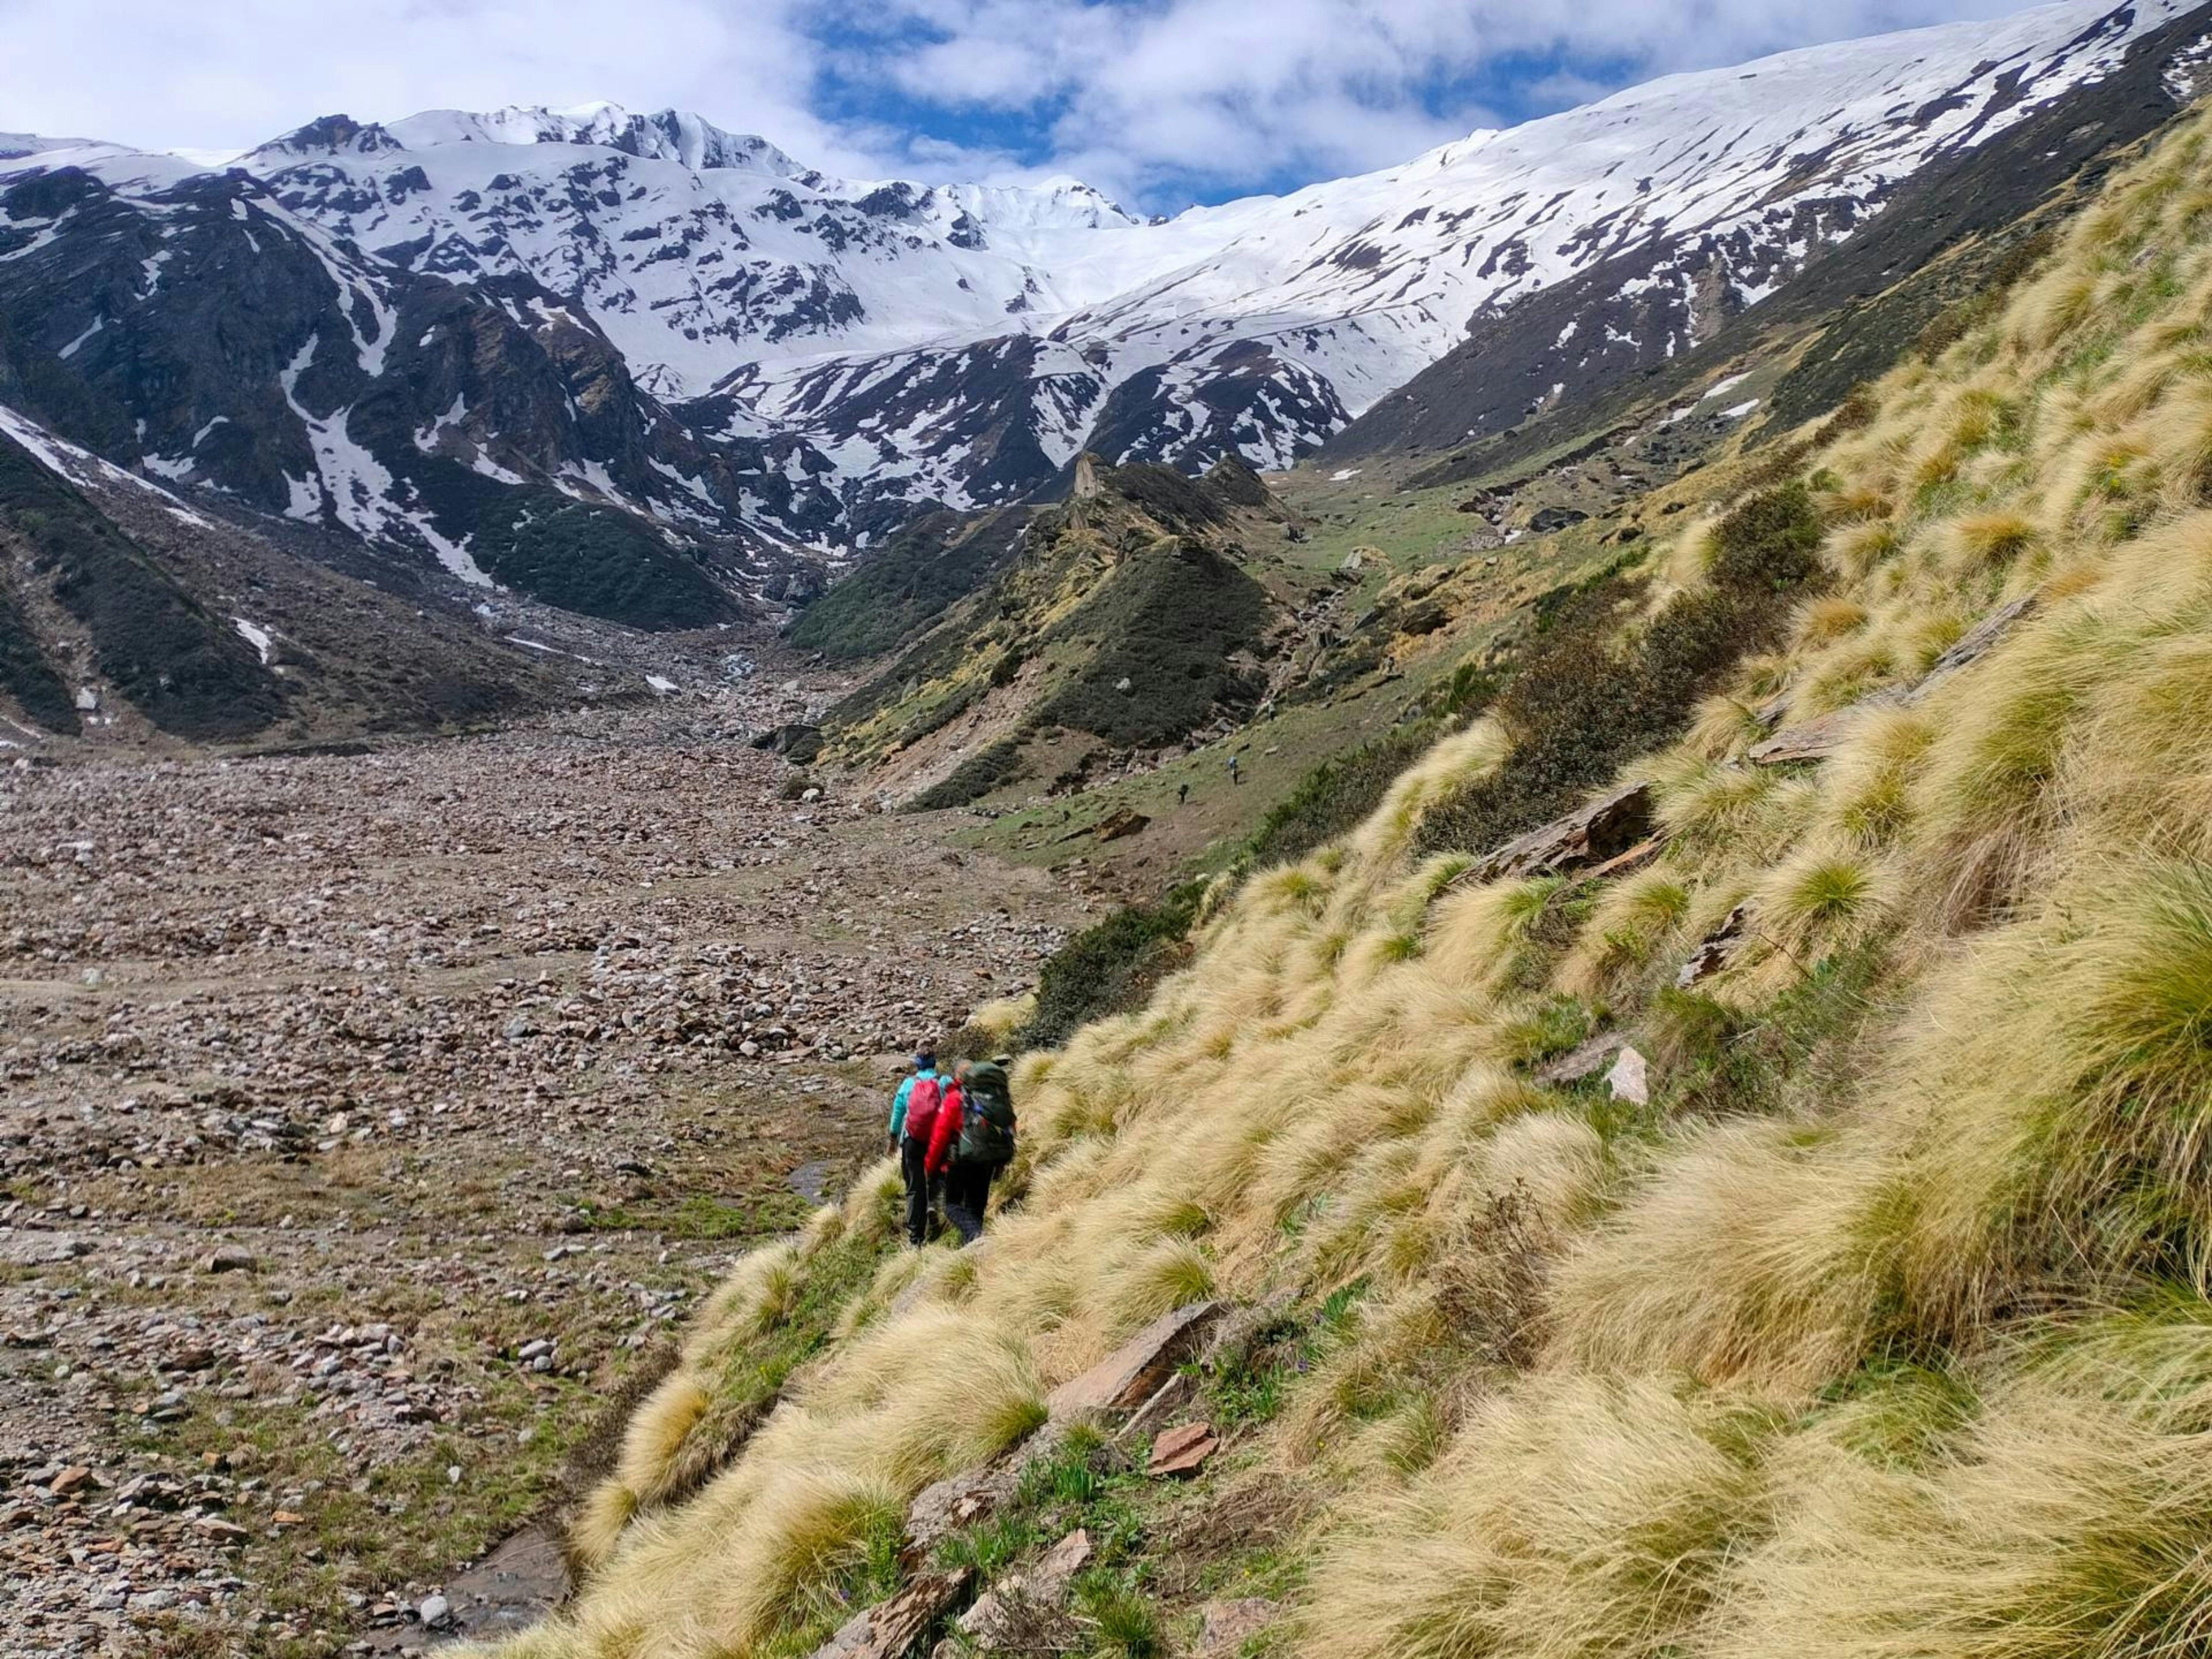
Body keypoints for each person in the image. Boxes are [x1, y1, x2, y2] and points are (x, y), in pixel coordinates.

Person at [933, 1057, 1016, 1245]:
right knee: (976, 1206)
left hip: (962, 1161)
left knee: (953, 1207)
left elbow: (940, 1134)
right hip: (990, 1159)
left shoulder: (956, 1098)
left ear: (958, 1077)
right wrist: (1001, 1163)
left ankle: (976, 1236)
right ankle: (973, 1248)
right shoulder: (996, 1098)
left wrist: (931, 1165)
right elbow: (1009, 1126)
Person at [890, 1052, 945, 1245]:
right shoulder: (944, 1082)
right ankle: (933, 1206)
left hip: (912, 1141)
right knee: (937, 1177)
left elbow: (898, 1111)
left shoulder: (908, 1084)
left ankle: (916, 1237)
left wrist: (893, 1136)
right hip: (937, 1140)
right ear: (934, 1064)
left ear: (917, 1065)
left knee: (914, 1187)